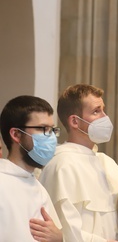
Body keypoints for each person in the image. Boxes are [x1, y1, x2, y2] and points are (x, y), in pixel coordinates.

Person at [39, 84, 118, 242]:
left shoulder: (107, 162)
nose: (105, 117)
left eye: (103, 110)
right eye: (96, 111)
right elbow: (64, 231)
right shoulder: (61, 165)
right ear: (75, 121)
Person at [0, 95, 63, 242]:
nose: (51, 137)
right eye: (43, 129)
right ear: (16, 134)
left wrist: (58, 239)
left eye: (52, 129)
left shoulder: (37, 186)